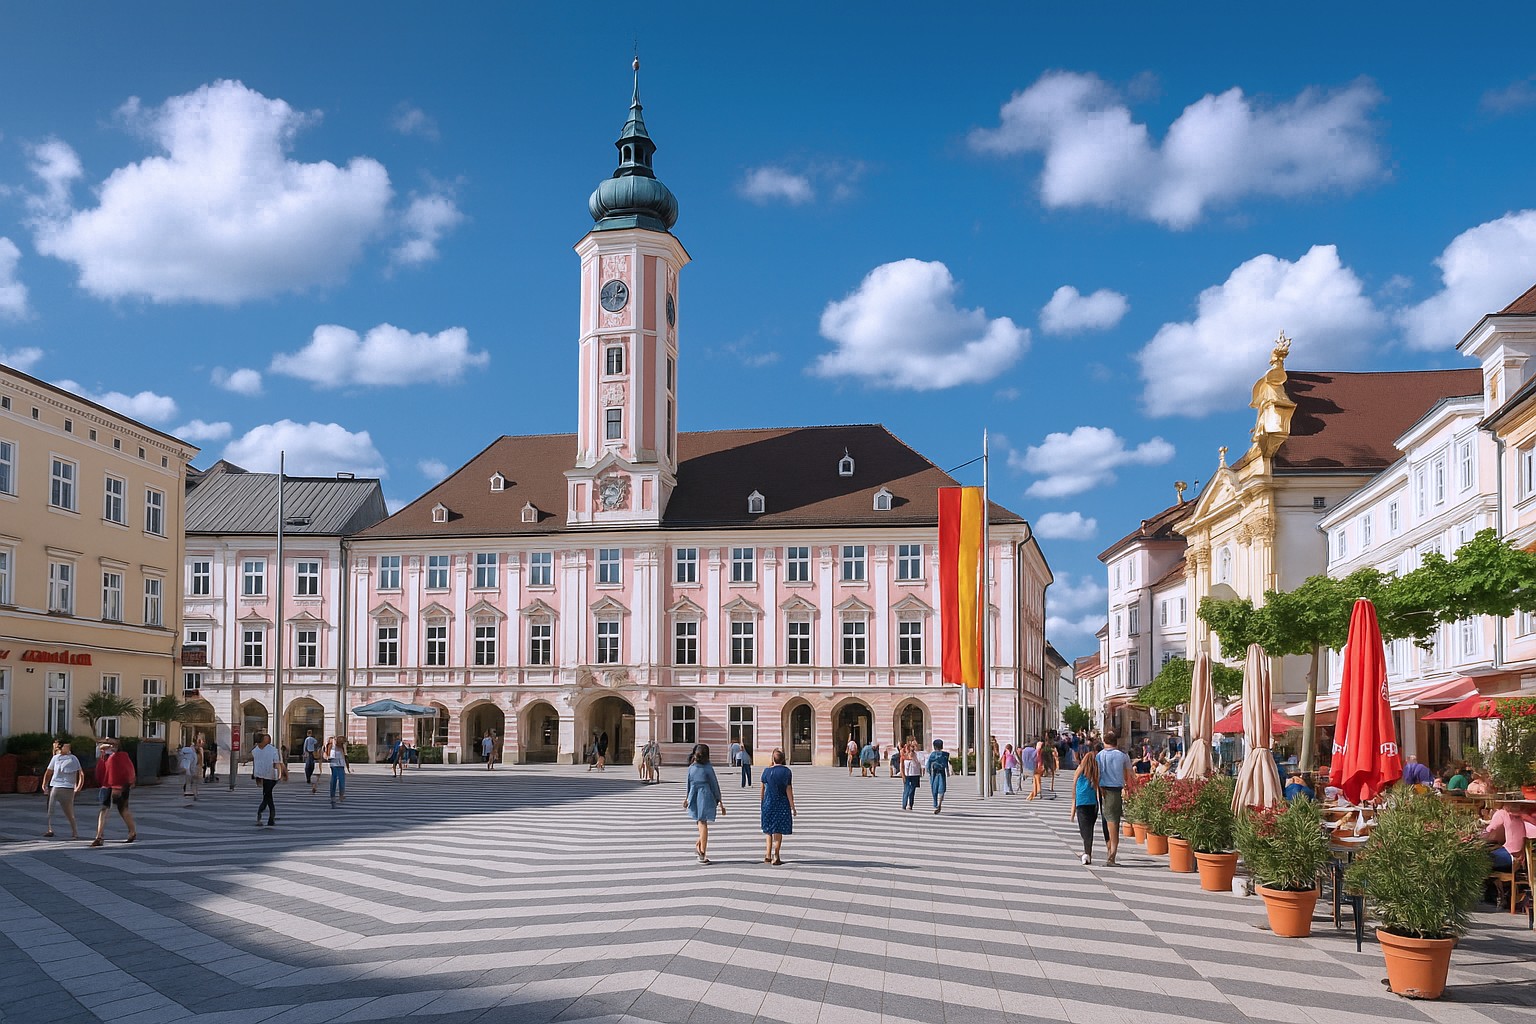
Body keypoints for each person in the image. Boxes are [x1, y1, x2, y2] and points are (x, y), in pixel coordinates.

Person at [1096, 729, 1132, 866]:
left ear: (1105, 742)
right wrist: (1129, 788)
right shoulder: (1122, 756)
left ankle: (1110, 852)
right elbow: (1129, 774)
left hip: (1102, 790)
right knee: (1113, 822)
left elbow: (1096, 773)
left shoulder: (1099, 756)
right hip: (1115, 790)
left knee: (1107, 821)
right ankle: (1112, 855)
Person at [90, 738, 137, 847]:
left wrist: (119, 786)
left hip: (118, 786)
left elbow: (127, 772)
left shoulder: (119, 756)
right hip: (107, 785)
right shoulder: (105, 757)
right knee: (105, 809)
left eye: (111, 744)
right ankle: (99, 836)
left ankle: (132, 831)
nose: (107, 746)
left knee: (121, 809)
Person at [684, 743, 724, 864]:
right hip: (705, 795)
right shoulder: (708, 768)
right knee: (703, 823)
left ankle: (700, 846)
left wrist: (686, 798)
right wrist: (719, 799)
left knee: (700, 822)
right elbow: (714, 784)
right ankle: (702, 852)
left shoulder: (691, 768)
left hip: (693, 794)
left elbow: (688, 784)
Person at [759, 748, 796, 865]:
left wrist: (762, 803)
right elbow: (788, 789)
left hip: (768, 803)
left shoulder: (766, 771)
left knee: (768, 830)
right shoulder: (787, 772)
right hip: (781, 803)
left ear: (773, 759)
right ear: (783, 759)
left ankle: (767, 855)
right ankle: (776, 855)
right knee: (778, 830)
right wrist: (792, 805)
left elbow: (762, 789)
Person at [43, 739, 85, 839]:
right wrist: (44, 784)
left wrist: (79, 786)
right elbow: (48, 772)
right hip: (56, 785)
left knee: (69, 811)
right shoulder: (56, 758)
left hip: (68, 787)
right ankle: (50, 829)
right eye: (66, 746)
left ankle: (75, 832)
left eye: (68, 746)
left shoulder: (73, 758)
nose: (68, 748)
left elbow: (81, 773)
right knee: (50, 808)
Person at [1070, 744, 1102, 865]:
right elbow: (1099, 788)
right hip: (1093, 804)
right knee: (1090, 829)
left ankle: (1086, 854)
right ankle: (1087, 852)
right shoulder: (1095, 772)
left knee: (1084, 830)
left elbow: (1074, 788)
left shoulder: (1079, 770)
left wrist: (1072, 808)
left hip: (1081, 803)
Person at [249, 733, 284, 827]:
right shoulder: (255, 750)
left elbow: (277, 763)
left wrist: (279, 774)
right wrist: (255, 774)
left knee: (267, 796)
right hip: (262, 775)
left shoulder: (272, 750)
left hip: (271, 776)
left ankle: (261, 815)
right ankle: (270, 818)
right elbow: (255, 762)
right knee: (268, 797)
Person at [323, 734, 349, 808]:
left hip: (341, 764)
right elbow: (325, 752)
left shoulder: (342, 746)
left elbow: (345, 754)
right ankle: (333, 795)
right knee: (334, 779)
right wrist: (327, 757)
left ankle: (341, 795)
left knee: (341, 780)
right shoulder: (332, 744)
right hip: (334, 764)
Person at [926, 739, 951, 814]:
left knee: (934, 788)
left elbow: (928, 765)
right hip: (941, 773)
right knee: (942, 789)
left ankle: (936, 803)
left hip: (934, 773)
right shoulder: (945, 754)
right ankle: (939, 804)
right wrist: (948, 771)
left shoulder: (933, 754)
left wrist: (929, 772)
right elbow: (946, 763)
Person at [900, 742, 923, 810]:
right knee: (907, 790)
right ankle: (904, 805)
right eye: (911, 747)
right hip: (907, 775)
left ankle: (910, 805)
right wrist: (903, 775)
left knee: (912, 790)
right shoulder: (904, 757)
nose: (912, 749)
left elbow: (920, 763)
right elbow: (902, 767)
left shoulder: (917, 755)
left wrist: (914, 757)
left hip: (915, 775)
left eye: (913, 747)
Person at [178, 738, 200, 803]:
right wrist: (194, 771)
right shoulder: (193, 754)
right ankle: (193, 793)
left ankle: (186, 791)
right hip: (189, 769)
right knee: (191, 781)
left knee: (186, 781)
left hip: (184, 768)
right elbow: (194, 763)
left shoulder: (184, 753)